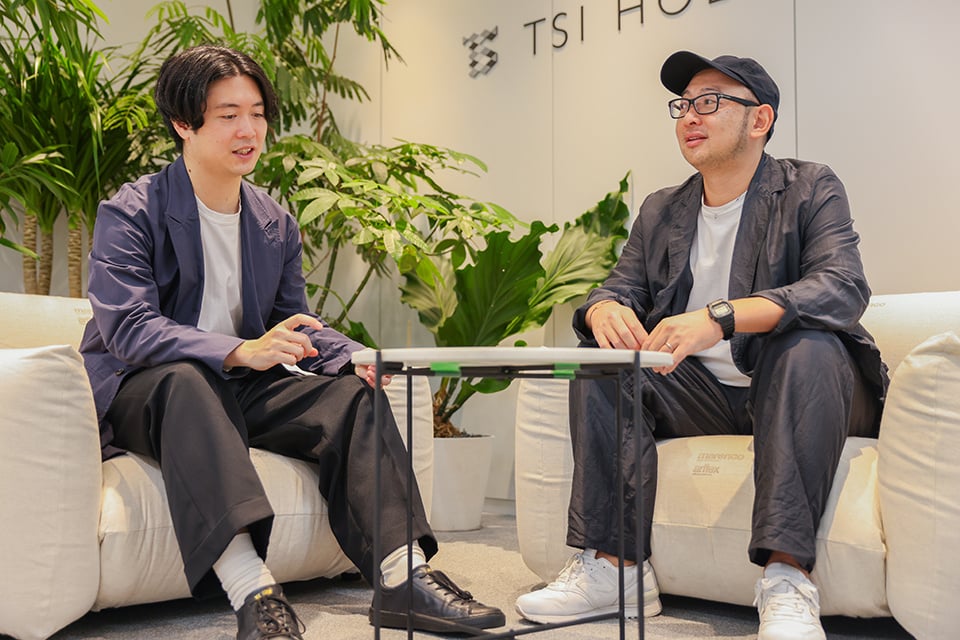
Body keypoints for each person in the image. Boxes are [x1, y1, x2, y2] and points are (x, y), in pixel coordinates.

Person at [79, 44, 505, 640]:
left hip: (238, 387)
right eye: (228, 115)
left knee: (351, 397)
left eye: (257, 114)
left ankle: (403, 577)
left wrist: (352, 357)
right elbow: (128, 327)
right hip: (148, 390)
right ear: (183, 123)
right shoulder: (131, 211)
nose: (248, 130)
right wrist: (237, 350)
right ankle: (253, 592)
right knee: (187, 379)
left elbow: (294, 321)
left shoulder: (273, 222)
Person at [514, 50, 888, 640]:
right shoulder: (663, 209)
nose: (690, 115)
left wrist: (721, 317)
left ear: (759, 119)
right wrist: (604, 308)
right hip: (705, 396)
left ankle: (787, 579)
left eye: (710, 102)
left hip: (807, 386)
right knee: (605, 363)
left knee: (807, 345)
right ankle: (616, 570)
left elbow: (841, 287)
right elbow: (618, 288)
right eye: (684, 104)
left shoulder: (809, 186)